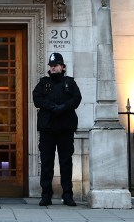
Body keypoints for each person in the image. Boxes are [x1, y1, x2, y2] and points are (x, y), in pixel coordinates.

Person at [32, 52, 82, 207]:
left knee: (66, 162)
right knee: (47, 163)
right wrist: (53, 107)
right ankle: (46, 195)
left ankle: (68, 195)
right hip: (48, 129)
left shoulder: (70, 83)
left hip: (65, 129)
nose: (53, 68)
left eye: (56, 65)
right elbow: (37, 99)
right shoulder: (43, 83)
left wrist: (63, 108)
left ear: (63, 67)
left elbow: (77, 98)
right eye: (51, 66)